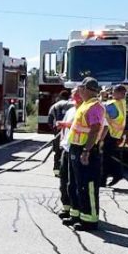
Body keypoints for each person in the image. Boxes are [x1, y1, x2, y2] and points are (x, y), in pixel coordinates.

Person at [65, 78, 105, 230]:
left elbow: (94, 130)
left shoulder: (94, 106)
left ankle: (89, 220)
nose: (79, 90)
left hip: (86, 150)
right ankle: (76, 215)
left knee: (87, 186)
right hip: (76, 148)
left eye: (81, 88)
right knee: (75, 184)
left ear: (88, 89)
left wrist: (86, 151)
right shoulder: (85, 104)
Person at [56, 89, 79, 218]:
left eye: (76, 96)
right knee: (64, 181)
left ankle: (75, 211)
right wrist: (61, 142)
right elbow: (65, 129)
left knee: (73, 182)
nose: (73, 98)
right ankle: (66, 208)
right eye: (73, 96)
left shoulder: (85, 110)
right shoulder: (71, 111)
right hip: (66, 148)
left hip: (76, 148)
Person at [100, 84, 128, 187]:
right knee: (110, 156)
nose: (112, 93)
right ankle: (116, 174)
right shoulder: (122, 102)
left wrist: (101, 96)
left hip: (108, 133)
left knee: (105, 158)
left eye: (114, 92)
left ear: (119, 93)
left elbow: (99, 108)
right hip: (116, 133)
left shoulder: (112, 104)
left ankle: (104, 180)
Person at [47, 90, 72, 178]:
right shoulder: (73, 105)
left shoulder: (54, 106)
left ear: (60, 97)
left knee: (57, 152)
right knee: (67, 152)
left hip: (58, 133)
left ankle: (57, 171)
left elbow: (50, 120)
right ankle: (67, 172)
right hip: (69, 133)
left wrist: (55, 131)